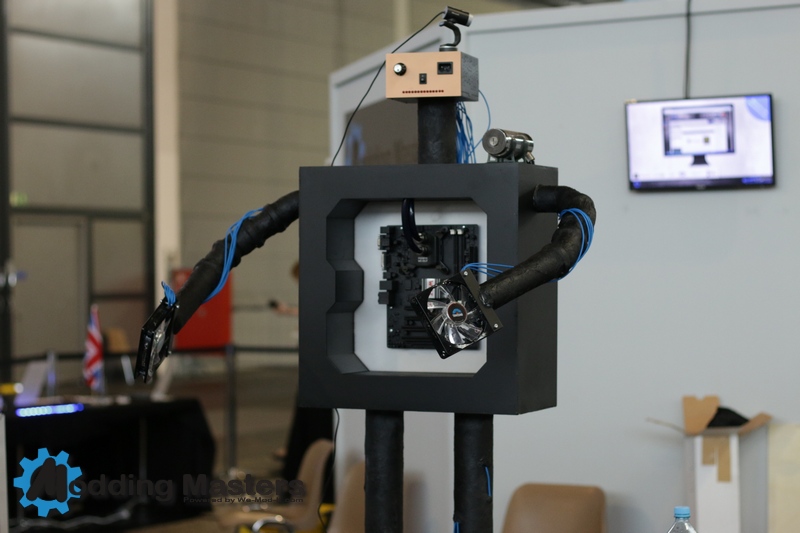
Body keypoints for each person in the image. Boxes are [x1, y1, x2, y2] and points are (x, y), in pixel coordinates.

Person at [270, 261, 333, 498]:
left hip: (320, 377)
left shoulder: (322, 297)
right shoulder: (318, 297)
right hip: (314, 375)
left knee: (313, 426)